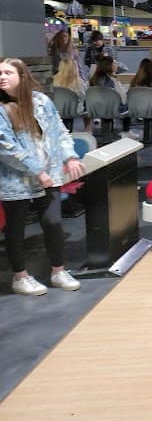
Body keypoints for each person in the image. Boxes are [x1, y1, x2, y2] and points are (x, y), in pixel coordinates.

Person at [0, 58, 85, 295]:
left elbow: (59, 132)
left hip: (50, 175)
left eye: (8, 72)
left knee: (53, 223)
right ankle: (20, 276)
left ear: (22, 76)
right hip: (16, 180)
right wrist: (38, 171)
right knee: (16, 228)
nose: (2, 77)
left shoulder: (41, 101)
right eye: (0, 73)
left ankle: (58, 271)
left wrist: (70, 156)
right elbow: (7, 148)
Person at [89, 56, 138, 139]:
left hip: (95, 109)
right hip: (113, 109)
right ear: (110, 66)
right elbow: (123, 99)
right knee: (131, 103)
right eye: (114, 63)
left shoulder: (93, 80)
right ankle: (126, 131)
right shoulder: (113, 81)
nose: (116, 65)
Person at [53, 58, 90, 130]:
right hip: (75, 110)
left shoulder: (53, 81)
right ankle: (88, 131)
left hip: (56, 108)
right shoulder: (80, 83)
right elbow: (85, 97)